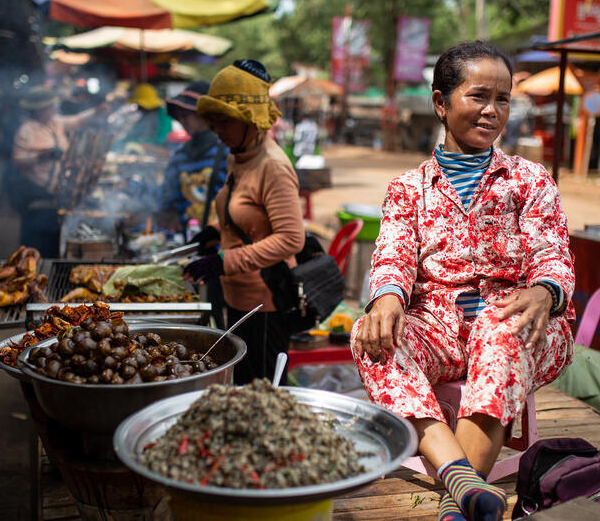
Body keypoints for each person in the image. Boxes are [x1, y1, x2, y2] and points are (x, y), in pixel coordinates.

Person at [352, 41, 574, 521]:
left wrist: (544, 290)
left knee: (501, 324)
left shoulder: (530, 180)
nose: (493, 111)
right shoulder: (408, 188)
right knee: (370, 335)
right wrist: (386, 298)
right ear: (441, 102)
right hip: (441, 330)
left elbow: (553, 253)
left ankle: (454, 498)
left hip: (524, 325)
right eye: (479, 96)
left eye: (503, 99)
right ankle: (464, 482)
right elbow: (392, 255)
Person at [182, 60, 305, 384]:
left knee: (261, 394)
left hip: (264, 306)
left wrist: (223, 261)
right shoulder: (238, 156)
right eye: (213, 121)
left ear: (250, 120)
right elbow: (242, 213)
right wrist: (213, 231)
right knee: (240, 386)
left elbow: (291, 239)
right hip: (236, 297)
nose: (216, 129)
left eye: (224, 121)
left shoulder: (273, 167)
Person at [11, 85, 108, 257]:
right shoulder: (27, 130)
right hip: (37, 193)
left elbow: (77, 120)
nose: (52, 109)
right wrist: (43, 155)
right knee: (36, 245)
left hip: (57, 193)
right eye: (48, 106)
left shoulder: (56, 122)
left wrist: (96, 111)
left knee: (54, 242)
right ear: (38, 109)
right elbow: (19, 160)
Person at [161, 81, 228, 230]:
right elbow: (167, 198)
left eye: (186, 115)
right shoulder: (179, 158)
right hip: (191, 238)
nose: (182, 120)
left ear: (204, 115)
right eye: (180, 116)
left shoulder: (227, 152)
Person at [112, 83, 173, 149]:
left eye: (140, 106)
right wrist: (119, 143)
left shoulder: (164, 115)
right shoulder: (145, 115)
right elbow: (133, 135)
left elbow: (161, 140)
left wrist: (139, 144)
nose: (138, 108)